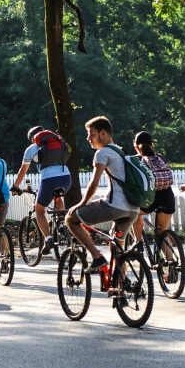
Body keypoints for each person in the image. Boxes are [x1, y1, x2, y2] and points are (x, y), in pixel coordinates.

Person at [65, 116, 139, 273]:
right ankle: (121, 288)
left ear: (103, 134)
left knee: (70, 219)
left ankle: (97, 256)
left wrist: (82, 203)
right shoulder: (121, 151)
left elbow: (94, 184)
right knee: (117, 249)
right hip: (133, 209)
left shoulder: (102, 153)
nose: (88, 138)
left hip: (115, 206)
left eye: (91, 134)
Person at [10, 126, 71, 254]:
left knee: (39, 209)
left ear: (33, 138)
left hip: (49, 180)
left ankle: (48, 239)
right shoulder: (59, 142)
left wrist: (15, 186)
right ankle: (60, 224)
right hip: (66, 177)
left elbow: (23, 171)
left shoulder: (31, 149)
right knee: (58, 197)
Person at [130, 131, 175, 242]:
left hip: (149, 200)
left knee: (133, 213)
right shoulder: (160, 158)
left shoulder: (135, 160)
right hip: (168, 198)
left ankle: (138, 242)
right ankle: (170, 259)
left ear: (135, 145)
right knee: (162, 233)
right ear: (151, 144)